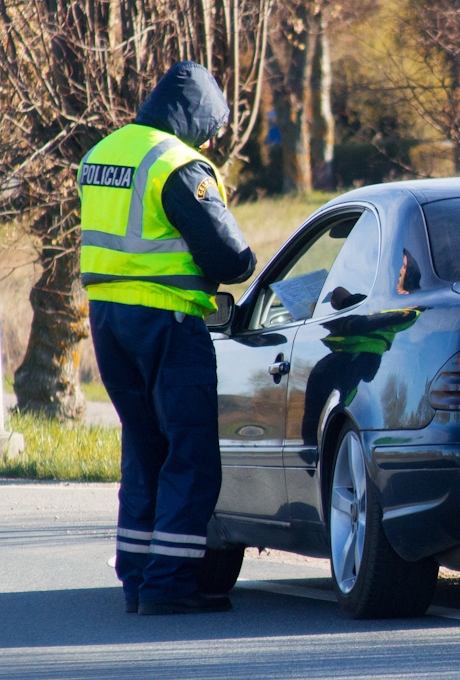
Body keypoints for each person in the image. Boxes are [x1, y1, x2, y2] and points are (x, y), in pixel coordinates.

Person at [79, 62, 256, 615]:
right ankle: (170, 585)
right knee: (190, 454)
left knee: (144, 447)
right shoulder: (177, 163)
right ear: (196, 116)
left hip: (108, 321)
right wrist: (247, 260)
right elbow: (230, 257)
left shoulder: (103, 153)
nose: (209, 139)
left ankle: (137, 579)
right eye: (210, 127)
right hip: (169, 323)